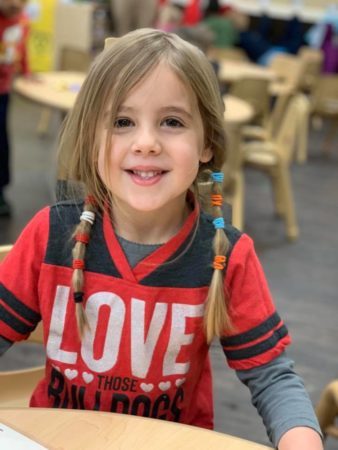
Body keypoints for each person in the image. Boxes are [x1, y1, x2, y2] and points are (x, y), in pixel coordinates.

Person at [0, 28, 323, 449]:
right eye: (122, 122)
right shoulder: (49, 234)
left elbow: (272, 378)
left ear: (206, 141)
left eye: (172, 122)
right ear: (91, 137)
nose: (146, 143)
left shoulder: (226, 256)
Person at [0, 0, 29, 217]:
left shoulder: (22, 21)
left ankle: (1, 191)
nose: (16, 3)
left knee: (2, 140)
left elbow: (21, 50)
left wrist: (27, 72)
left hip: (3, 90)